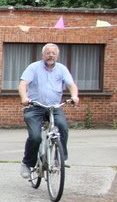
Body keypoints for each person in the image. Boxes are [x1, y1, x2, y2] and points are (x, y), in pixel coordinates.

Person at [18, 43, 79, 177]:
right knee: (35, 137)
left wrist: (74, 96)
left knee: (62, 127)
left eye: (53, 53)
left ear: (57, 55)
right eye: (48, 53)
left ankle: (61, 159)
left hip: (54, 107)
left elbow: (71, 84)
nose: (50, 55)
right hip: (34, 107)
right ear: (43, 55)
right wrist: (24, 97)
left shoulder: (62, 69)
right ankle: (27, 163)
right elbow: (23, 84)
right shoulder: (33, 67)